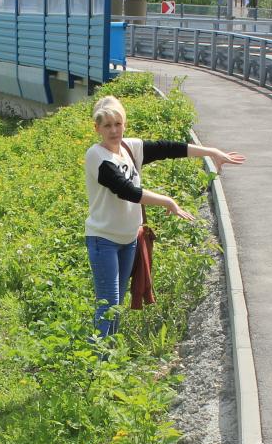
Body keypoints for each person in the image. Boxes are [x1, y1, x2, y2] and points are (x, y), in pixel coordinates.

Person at [83, 95, 245, 339]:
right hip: (103, 240)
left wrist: (210, 151)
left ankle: (108, 352)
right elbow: (126, 190)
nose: (113, 130)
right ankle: (99, 362)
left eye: (118, 124)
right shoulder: (97, 156)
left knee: (116, 302)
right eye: (107, 125)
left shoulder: (129, 148)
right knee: (109, 303)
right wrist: (167, 201)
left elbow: (168, 148)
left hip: (128, 240)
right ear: (97, 128)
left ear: (124, 124)